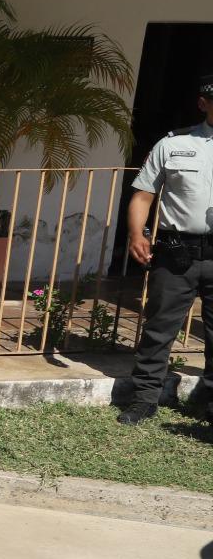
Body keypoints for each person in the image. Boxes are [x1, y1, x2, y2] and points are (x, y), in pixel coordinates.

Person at [117, 72, 213, 426]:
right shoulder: (172, 144)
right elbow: (143, 194)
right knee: (160, 328)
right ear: (203, 103)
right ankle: (144, 399)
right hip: (178, 251)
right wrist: (136, 234)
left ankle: (209, 399)